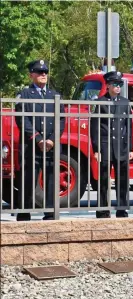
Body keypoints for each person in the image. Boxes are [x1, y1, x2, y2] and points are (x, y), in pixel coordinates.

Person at [14, 60, 65, 221]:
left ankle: (50, 212)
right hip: (31, 145)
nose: (43, 75)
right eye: (39, 72)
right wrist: (38, 139)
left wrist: (51, 140)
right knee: (28, 179)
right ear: (31, 75)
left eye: (45, 72)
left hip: (50, 145)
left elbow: (61, 120)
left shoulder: (54, 95)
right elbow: (22, 120)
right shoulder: (24, 94)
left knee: (51, 179)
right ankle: (24, 212)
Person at [91, 71, 133, 218]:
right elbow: (95, 127)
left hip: (121, 146)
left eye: (119, 84)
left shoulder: (125, 102)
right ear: (108, 85)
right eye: (115, 84)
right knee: (104, 179)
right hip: (105, 145)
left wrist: (130, 148)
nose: (117, 87)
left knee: (123, 179)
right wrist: (96, 149)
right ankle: (103, 209)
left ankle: (121, 208)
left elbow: (129, 127)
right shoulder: (100, 102)